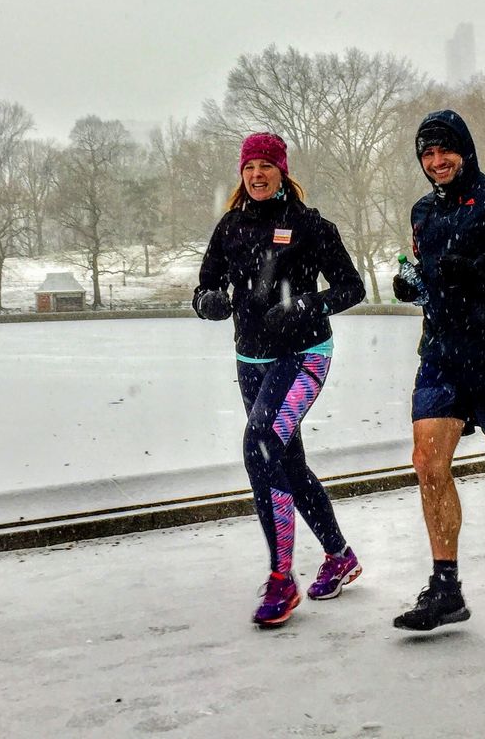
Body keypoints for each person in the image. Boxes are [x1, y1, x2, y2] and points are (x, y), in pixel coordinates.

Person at [193, 132, 367, 627]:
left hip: (304, 355)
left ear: (282, 171)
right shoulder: (230, 226)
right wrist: (207, 302)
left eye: (266, 165)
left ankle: (281, 578)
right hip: (250, 360)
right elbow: (206, 284)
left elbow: (350, 287)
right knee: (286, 463)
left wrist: (307, 305)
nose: (256, 174)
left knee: (262, 442)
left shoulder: (309, 225)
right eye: (249, 167)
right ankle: (339, 556)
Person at [390, 110, 485, 631]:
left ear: (465, 149)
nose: (435, 162)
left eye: (444, 151)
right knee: (427, 462)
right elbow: (426, 273)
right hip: (441, 355)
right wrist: (413, 285)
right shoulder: (422, 213)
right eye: (426, 155)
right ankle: (445, 588)